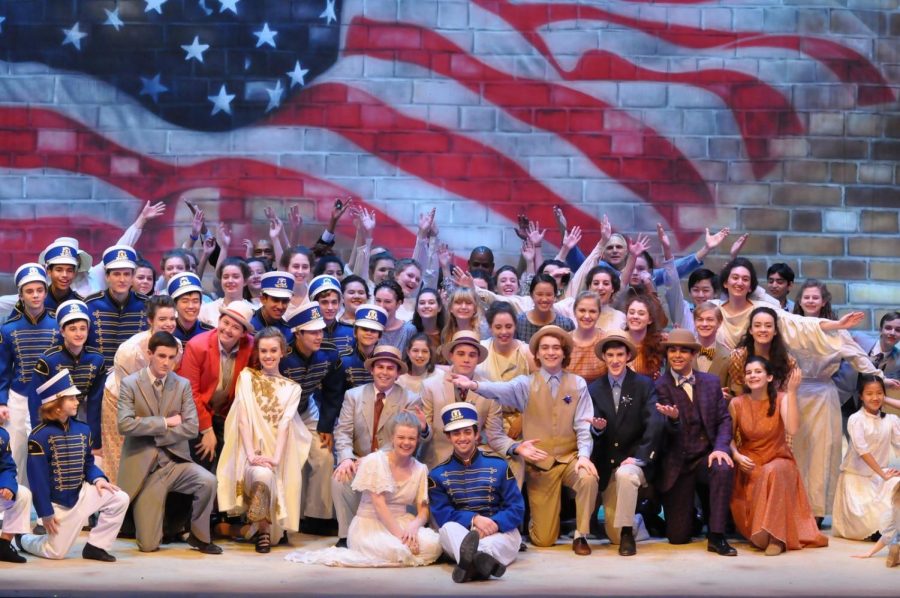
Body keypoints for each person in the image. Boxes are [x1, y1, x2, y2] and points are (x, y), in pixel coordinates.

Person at [452, 326, 598, 555]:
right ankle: (537, 525)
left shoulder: (578, 383)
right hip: (540, 463)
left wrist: (584, 456)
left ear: (564, 352)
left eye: (556, 348)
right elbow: (500, 389)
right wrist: (475, 386)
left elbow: (583, 424)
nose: (551, 352)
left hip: (570, 458)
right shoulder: (524, 384)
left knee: (588, 477)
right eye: (545, 348)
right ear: (537, 354)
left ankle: (581, 534)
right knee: (543, 540)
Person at [288, 412, 442, 567]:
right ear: (392, 438)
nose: (406, 443)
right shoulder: (376, 461)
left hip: (402, 521)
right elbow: (379, 505)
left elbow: (423, 510)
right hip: (370, 525)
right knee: (398, 550)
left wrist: (413, 528)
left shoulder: (420, 469)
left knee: (434, 544)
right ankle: (393, 547)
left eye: (411, 438)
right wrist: (403, 538)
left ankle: (404, 545)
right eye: (401, 437)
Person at [117, 331, 221, 554]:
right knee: (148, 546)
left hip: (175, 463)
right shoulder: (130, 384)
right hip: (146, 472)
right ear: (150, 354)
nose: (166, 362)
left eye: (171, 357)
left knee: (208, 480)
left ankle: (200, 536)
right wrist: (166, 422)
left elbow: (192, 428)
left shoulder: (182, 385)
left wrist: (149, 428)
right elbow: (124, 425)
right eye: (161, 356)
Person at [216, 327, 312, 553]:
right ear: (257, 353)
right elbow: (243, 420)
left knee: (268, 477)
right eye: (263, 351)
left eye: (273, 351)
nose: (268, 356)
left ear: (282, 352)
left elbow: (285, 425)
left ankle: (251, 530)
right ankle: (263, 533)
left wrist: (275, 459)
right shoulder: (247, 377)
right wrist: (252, 455)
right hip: (250, 452)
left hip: (277, 455)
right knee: (261, 475)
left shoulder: (292, 388)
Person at [21, 369, 129, 562]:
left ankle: (96, 546)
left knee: (119, 498)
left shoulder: (83, 429)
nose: (77, 402)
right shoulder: (39, 436)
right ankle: (24, 540)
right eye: (71, 398)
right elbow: (38, 481)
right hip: (59, 505)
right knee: (55, 553)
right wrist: (45, 513)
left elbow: (88, 463)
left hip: (82, 494)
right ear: (56, 405)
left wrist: (98, 478)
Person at [729, 357, 827, 555]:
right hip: (750, 461)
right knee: (757, 540)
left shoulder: (782, 398)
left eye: (758, 372)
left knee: (772, 471)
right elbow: (728, 438)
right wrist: (737, 456)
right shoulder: (736, 403)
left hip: (778, 458)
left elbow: (792, 428)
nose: (753, 376)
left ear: (769, 377)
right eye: (749, 372)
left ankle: (778, 537)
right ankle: (763, 533)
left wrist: (791, 392)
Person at [654, 329, 736, 555]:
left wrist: (720, 448)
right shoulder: (659, 387)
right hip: (677, 464)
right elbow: (658, 433)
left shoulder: (711, 382)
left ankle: (717, 535)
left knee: (722, 466)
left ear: (692, 355)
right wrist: (672, 420)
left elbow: (724, 419)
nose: (677, 355)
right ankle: (696, 516)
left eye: (683, 350)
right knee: (678, 537)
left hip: (704, 458)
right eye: (672, 350)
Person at [331, 345, 422, 546]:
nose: (384, 372)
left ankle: (382, 531)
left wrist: (373, 460)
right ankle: (346, 535)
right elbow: (343, 431)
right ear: (372, 369)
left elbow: (404, 441)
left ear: (398, 374)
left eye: (390, 368)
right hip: (357, 458)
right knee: (339, 477)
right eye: (380, 367)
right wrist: (346, 458)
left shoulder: (410, 399)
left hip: (392, 463)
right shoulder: (353, 395)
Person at [587, 331, 665, 555]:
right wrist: (597, 430)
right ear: (603, 357)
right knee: (611, 534)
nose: (615, 360)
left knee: (626, 474)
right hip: (607, 465)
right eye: (610, 354)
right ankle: (636, 519)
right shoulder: (594, 389)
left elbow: (655, 424)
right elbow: (589, 429)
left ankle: (627, 533)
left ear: (628, 356)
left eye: (619, 354)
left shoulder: (644, 385)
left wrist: (640, 456)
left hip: (634, 460)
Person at [429, 402, 525, 583]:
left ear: (476, 434)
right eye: (456, 433)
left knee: (501, 540)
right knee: (447, 529)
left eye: (467, 432)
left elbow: (516, 508)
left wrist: (494, 524)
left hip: (499, 534)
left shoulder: (499, 465)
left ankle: (468, 564)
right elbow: (443, 515)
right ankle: (481, 564)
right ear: (448, 437)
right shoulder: (437, 474)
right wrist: (474, 520)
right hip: (462, 534)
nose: (462, 438)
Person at [279, 302, 346, 530]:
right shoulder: (281, 354)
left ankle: (317, 517)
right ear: (298, 333)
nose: (319, 336)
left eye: (321, 331)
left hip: (307, 409)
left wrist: (326, 426)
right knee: (288, 460)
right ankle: (285, 519)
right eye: (313, 332)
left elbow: (333, 392)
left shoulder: (328, 354)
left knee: (324, 456)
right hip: (281, 415)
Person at [102, 295, 181, 484]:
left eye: (172, 319)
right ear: (150, 320)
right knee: (121, 459)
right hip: (119, 402)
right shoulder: (130, 351)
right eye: (162, 319)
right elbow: (127, 397)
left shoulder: (177, 346)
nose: (169, 324)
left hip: (153, 404)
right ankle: (118, 508)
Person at [178, 301, 256, 472]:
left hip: (229, 414)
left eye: (235, 327)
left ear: (243, 333)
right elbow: (189, 394)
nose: (228, 329)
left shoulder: (251, 347)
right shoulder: (197, 345)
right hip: (199, 413)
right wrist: (206, 430)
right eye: (225, 322)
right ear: (219, 321)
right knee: (202, 460)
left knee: (230, 469)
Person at [420, 330, 514, 470]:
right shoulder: (430, 386)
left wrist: (516, 447)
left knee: (516, 460)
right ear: (451, 356)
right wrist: (423, 429)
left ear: (478, 359)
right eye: (461, 354)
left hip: (475, 457)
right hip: (440, 456)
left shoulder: (488, 389)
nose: (466, 359)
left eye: (472, 355)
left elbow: (495, 436)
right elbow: (426, 437)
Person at [0, 263, 59, 480]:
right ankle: (12, 507)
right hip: (19, 397)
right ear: (21, 295)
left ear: (45, 291)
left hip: (51, 397)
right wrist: (1, 402)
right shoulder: (8, 329)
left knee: (52, 455)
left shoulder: (58, 326)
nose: (35, 295)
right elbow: (3, 371)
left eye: (39, 290)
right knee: (15, 453)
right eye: (29, 291)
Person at [28, 300, 105, 459]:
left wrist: (94, 441)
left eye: (83, 328)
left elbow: (95, 402)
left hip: (81, 416)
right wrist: (40, 434)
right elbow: (35, 400)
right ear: (62, 331)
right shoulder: (48, 360)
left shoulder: (97, 359)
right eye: (72, 329)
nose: (78, 334)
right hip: (52, 417)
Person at [832, 375, 900, 540]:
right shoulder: (856, 420)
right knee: (873, 524)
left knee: (896, 485)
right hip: (857, 481)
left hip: (879, 477)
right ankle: (882, 531)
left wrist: (885, 475)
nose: (875, 397)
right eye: (869, 393)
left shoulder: (890, 420)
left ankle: (889, 529)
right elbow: (863, 452)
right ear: (861, 396)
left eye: (879, 393)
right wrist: (882, 474)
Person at [85, 245, 149, 372]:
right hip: (98, 377)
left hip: (136, 377)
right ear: (107, 277)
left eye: (126, 274)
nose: (122, 279)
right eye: (116, 274)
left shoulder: (147, 305)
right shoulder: (90, 305)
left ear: (132, 277)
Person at [0, 425, 31, 563]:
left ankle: (4, 546)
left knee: (22, 494)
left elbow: (7, 466)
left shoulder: (2, 435)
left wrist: (7, 486)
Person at [514, 274, 574, 343]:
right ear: (531, 295)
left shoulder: (565, 324)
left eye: (549, 295)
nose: (544, 299)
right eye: (539, 294)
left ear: (555, 296)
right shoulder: (519, 322)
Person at [567, 292, 608, 384]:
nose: (587, 316)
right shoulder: (564, 341)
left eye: (592, 311)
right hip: (568, 396)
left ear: (599, 313)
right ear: (574, 312)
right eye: (582, 310)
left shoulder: (606, 342)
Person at [198, 257, 251, 328]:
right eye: (226, 277)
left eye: (235, 277)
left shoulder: (253, 311)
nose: (230, 281)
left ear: (245, 281)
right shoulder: (206, 310)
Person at [308, 274, 354, 353]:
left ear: (339, 303)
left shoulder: (351, 331)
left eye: (334, 302)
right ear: (314, 304)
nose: (330, 307)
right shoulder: (307, 334)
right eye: (324, 302)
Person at [691, 302, 731, 390]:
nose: (704, 324)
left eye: (710, 319)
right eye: (700, 319)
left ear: (719, 323)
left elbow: (734, 396)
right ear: (694, 322)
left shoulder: (729, 357)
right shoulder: (681, 351)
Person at [250, 271, 295, 345]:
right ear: (263, 299)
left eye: (285, 301)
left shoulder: (287, 332)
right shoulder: (249, 323)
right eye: (275, 300)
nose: (280, 306)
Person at [40, 240, 83, 314]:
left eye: (69, 270)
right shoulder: (37, 300)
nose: (65, 275)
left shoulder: (81, 303)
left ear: (74, 273)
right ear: (49, 271)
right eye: (59, 270)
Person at [374, 280, 417, 353]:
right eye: (378, 300)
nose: (381, 306)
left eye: (387, 301)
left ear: (398, 303)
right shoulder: (367, 327)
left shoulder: (409, 330)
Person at [168, 272, 213, 343]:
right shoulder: (167, 332)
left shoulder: (210, 334)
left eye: (195, 301)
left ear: (201, 303)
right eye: (185, 301)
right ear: (175, 305)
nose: (191, 306)